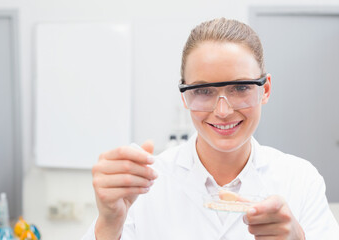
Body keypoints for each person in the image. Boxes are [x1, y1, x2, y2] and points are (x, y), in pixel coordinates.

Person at [82, 18, 339, 240]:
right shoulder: (144, 187)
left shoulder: (301, 180)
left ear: (266, 90)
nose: (223, 111)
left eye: (240, 88)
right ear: (184, 96)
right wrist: (108, 223)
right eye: (203, 91)